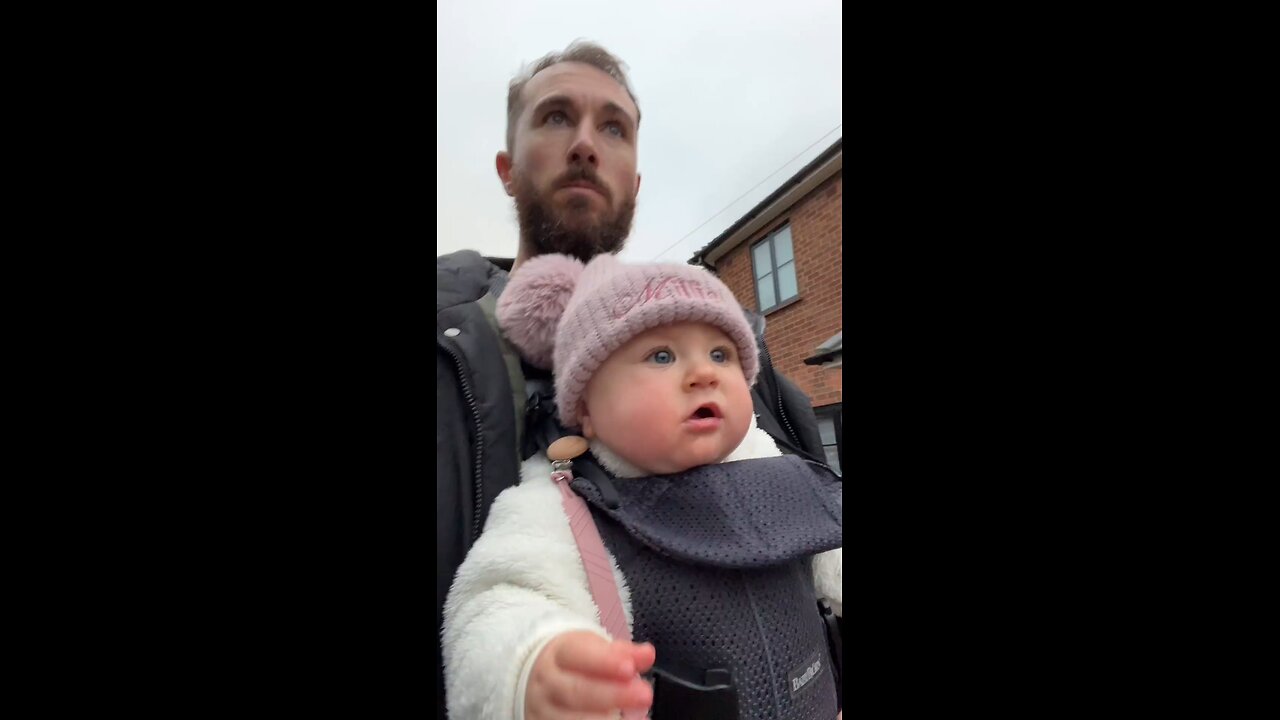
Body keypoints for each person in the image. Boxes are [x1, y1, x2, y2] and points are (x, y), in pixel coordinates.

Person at [436, 40, 830, 718]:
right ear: (505, 167)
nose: (587, 143)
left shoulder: (748, 379)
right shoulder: (450, 355)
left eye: (613, 126)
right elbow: (497, 603)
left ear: (638, 179)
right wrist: (529, 666)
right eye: (556, 117)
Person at [443, 253, 843, 719]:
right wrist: (529, 665)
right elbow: (497, 603)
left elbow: (830, 550)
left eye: (721, 354)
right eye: (661, 355)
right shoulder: (560, 509)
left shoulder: (775, 465)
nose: (704, 373)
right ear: (586, 407)